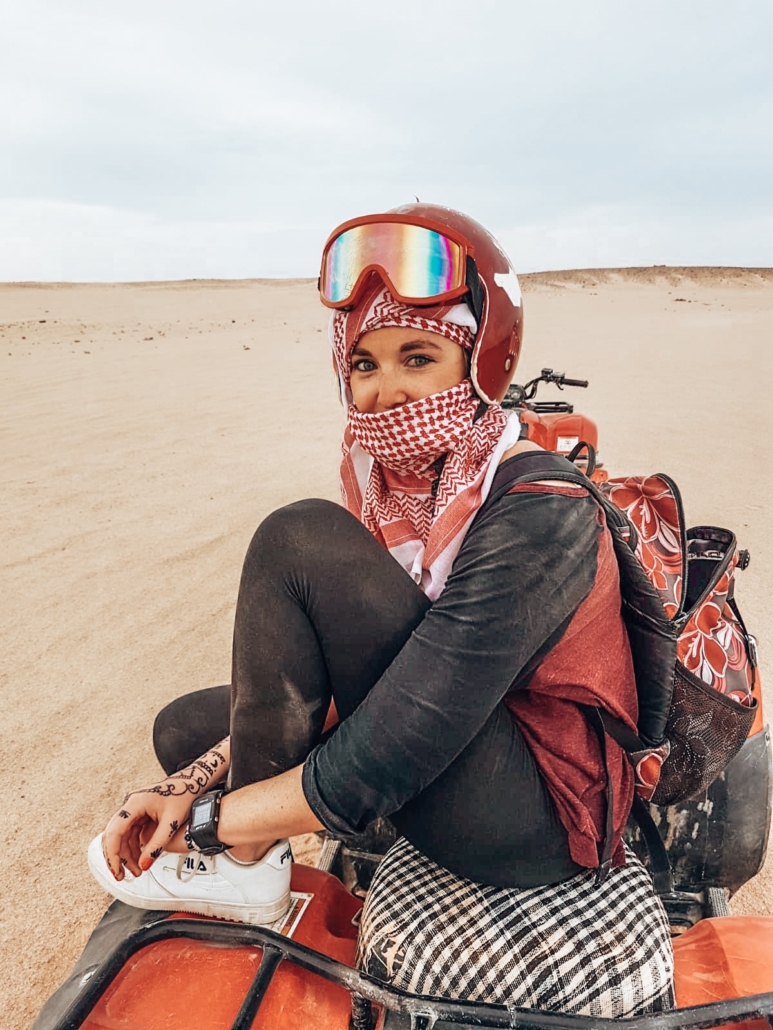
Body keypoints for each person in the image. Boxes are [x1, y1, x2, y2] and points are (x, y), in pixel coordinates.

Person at [87, 204, 674, 1016]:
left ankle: (248, 864)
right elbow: (373, 677)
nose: (384, 389)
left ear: (479, 362)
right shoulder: (391, 489)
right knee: (187, 729)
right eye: (363, 363)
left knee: (297, 538)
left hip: (537, 819)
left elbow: (410, 728)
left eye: (417, 357)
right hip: (456, 736)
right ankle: (254, 840)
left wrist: (214, 824)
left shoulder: (541, 511)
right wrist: (192, 782)